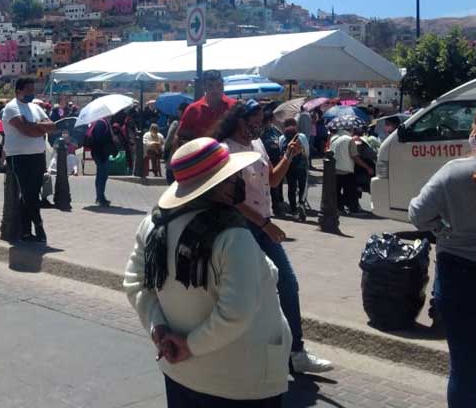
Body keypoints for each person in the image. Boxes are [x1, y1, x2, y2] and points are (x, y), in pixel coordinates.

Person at [124, 137, 291, 407]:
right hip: (239, 380)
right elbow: (235, 313)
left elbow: (135, 283)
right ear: (218, 186)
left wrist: (159, 329)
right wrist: (191, 345)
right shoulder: (233, 237)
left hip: (179, 371)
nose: (239, 180)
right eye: (232, 176)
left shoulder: (154, 225)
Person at [215, 101, 333, 374]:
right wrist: (264, 223)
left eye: (262, 121)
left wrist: (289, 156)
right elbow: (229, 198)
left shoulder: (257, 146)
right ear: (238, 120)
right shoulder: (225, 151)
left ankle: (294, 352)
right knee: (253, 289)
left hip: (262, 225)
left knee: (286, 284)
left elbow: (273, 181)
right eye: (254, 121)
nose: (259, 126)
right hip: (240, 228)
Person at [410, 106, 476, 408]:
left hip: (460, 281)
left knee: (465, 371)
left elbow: (418, 215)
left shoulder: (455, 172)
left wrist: (444, 229)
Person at [1, 77, 54, 243]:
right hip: (19, 156)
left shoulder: (35, 108)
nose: (32, 93)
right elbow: (26, 130)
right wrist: (39, 128)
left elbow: (51, 126)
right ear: (19, 91)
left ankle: (25, 231)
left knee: (31, 194)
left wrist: (36, 126)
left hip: (37, 155)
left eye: (33, 90)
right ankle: (39, 226)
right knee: (29, 194)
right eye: (29, 90)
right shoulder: (11, 108)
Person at [178, 70, 236, 143]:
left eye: (219, 85)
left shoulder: (234, 106)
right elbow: (182, 135)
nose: (215, 90)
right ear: (204, 87)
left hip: (232, 153)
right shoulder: (193, 109)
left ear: (223, 85)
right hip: (203, 152)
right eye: (210, 86)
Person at [329, 124, 372, 214]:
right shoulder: (349, 140)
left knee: (336, 191)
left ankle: (339, 207)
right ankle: (353, 209)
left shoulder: (334, 138)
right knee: (351, 191)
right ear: (351, 130)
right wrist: (367, 167)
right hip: (346, 169)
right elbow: (355, 157)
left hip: (334, 168)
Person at [278, 118, 310, 217]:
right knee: (302, 186)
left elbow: (281, 150)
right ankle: (301, 203)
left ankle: (293, 209)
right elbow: (307, 151)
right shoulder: (302, 136)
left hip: (289, 165)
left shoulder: (282, 137)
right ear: (295, 125)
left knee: (291, 187)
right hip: (301, 165)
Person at [88, 115, 118, 207]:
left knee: (101, 175)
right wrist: (111, 139)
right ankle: (100, 198)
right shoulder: (101, 123)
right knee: (102, 175)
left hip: (100, 153)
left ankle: (100, 197)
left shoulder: (103, 122)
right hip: (100, 154)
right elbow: (99, 139)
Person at [164, 102, 190, 185]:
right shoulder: (192, 124)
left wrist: (164, 150)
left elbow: (168, 142)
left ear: (181, 111)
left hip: (174, 159)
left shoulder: (176, 123)